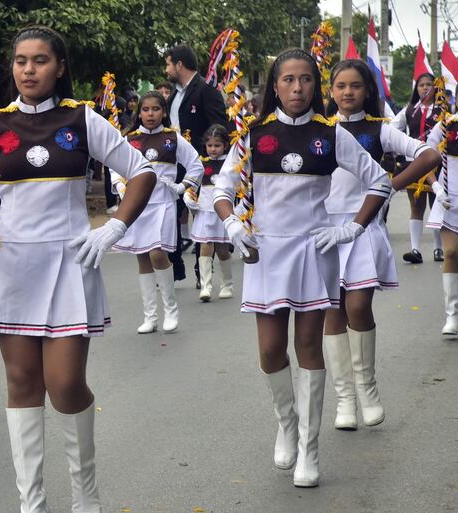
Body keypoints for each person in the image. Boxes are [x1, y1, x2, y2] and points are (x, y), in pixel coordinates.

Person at [0, 25, 155, 513]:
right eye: (20, 60)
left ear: (59, 67)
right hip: (12, 263)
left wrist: (116, 226)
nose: (28, 69)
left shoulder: (82, 120)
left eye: (39, 60)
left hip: (68, 261)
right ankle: (31, 503)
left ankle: (85, 496)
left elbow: (140, 170)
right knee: (21, 383)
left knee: (64, 384)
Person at [214, 48, 393, 488]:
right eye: (288, 80)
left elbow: (380, 181)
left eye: (306, 80)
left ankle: (309, 450)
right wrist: (232, 221)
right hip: (266, 252)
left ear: (316, 85)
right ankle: (287, 424)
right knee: (271, 350)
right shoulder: (253, 135)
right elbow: (222, 186)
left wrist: (352, 229)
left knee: (309, 345)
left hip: (316, 250)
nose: (297, 88)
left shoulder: (331, 135)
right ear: (274, 85)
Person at [323, 60, 441, 431]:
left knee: (358, 305)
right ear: (330, 91)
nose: (347, 92)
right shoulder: (319, 130)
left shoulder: (380, 130)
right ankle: (344, 399)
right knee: (331, 310)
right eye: (340, 86)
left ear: (368, 91)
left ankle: (366, 388)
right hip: (323, 229)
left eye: (355, 86)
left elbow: (430, 154)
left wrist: (393, 184)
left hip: (362, 227)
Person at [111, 90, 203, 333]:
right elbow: (115, 166)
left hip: (162, 204)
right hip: (135, 204)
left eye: (155, 109)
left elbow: (196, 165)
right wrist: (120, 185)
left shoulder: (173, 138)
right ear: (139, 112)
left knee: (157, 254)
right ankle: (150, 316)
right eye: (145, 109)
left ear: (163, 112)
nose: (150, 114)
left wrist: (182, 187)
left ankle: (171, 310)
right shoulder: (129, 139)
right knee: (142, 256)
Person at [164, 44, 228, 282]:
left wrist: (212, 155)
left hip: (202, 164)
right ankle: (174, 264)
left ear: (179, 64)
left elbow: (220, 126)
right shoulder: (173, 94)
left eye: (169, 64)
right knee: (173, 211)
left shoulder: (206, 90)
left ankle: (205, 274)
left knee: (204, 215)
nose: (166, 69)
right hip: (175, 162)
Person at [426, 79, 458, 338]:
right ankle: (451, 316)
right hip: (449, 197)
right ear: (455, 99)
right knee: (451, 252)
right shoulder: (445, 126)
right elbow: (425, 157)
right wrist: (435, 187)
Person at [390, 73, 446, 263]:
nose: (424, 88)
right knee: (416, 206)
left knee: (436, 205)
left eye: (428, 84)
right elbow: (392, 128)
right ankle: (415, 249)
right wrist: (400, 148)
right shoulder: (409, 110)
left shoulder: (443, 111)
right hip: (413, 162)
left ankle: (439, 249)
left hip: (437, 163)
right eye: (421, 85)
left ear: (435, 87)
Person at [188, 124, 234, 301]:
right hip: (205, 210)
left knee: (222, 250)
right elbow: (193, 184)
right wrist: (189, 197)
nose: (213, 149)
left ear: (225, 146)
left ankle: (227, 284)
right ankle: (206, 286)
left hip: (222, 211)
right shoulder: (201, 163)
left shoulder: (230, 164)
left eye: (217, 145)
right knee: (205, 246)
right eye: (210, 145)